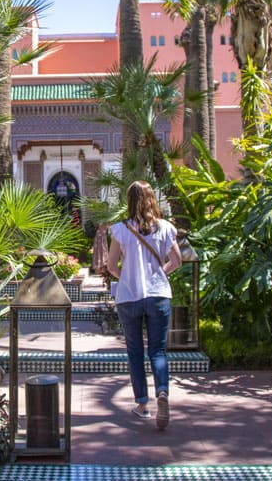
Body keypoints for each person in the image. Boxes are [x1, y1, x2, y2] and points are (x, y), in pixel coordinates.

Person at [107, 181, 182, 430]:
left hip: (129, 297)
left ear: (129, 201)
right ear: (152, 199)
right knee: (158, 351)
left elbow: (110, 266)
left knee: (135, 352)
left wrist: (127, 276)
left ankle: (142, 403)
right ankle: (162, 392)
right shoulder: (166, 228)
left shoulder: (120, 230)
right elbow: (177, 260)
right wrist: (160, 273)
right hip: (159, 295)